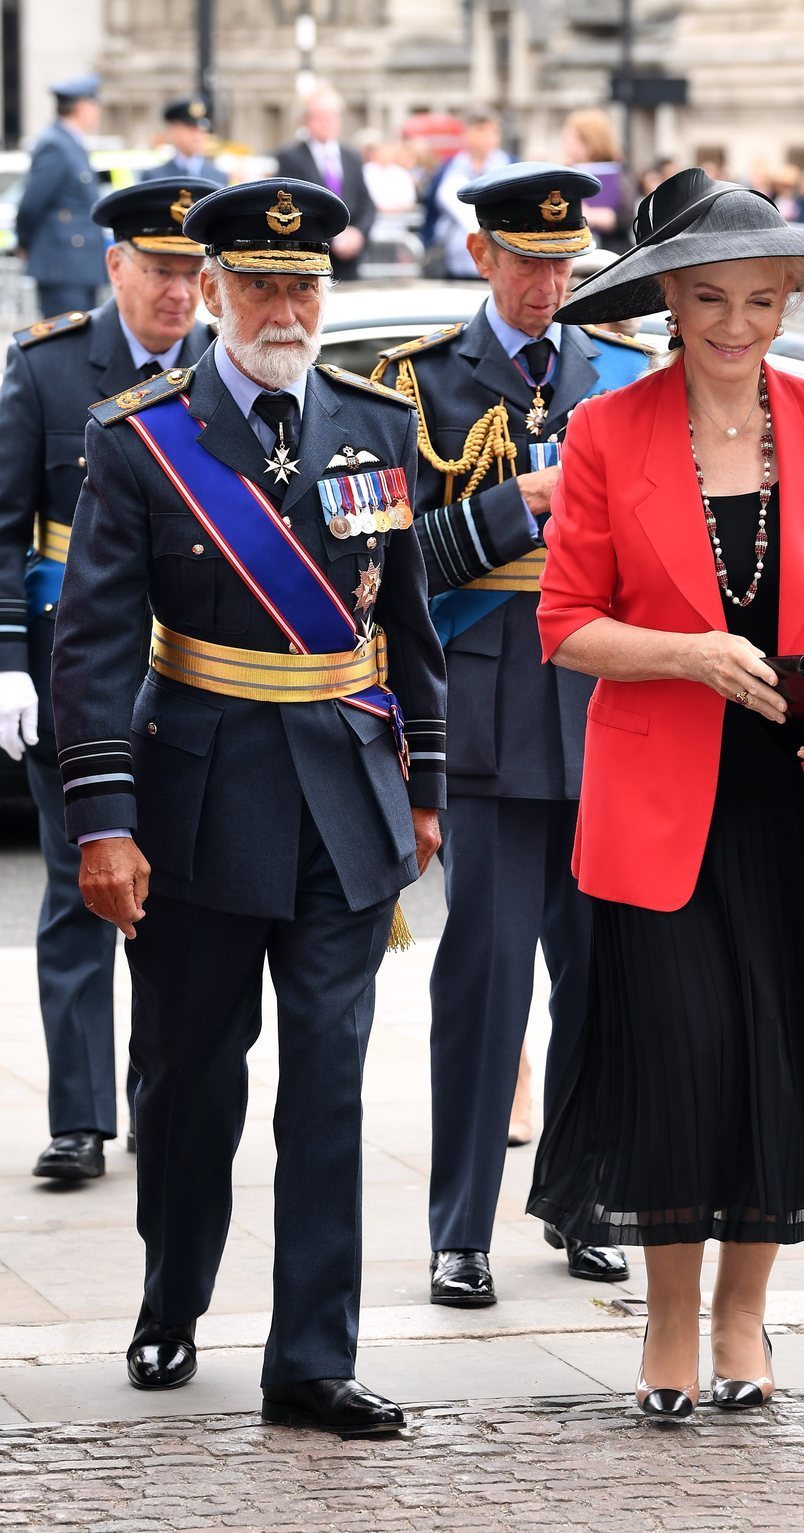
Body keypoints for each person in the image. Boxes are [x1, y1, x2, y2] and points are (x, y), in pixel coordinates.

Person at [49, 178, 446, 1434]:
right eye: (262, 284)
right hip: (199, 803)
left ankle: (311, 1358)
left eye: (306, 284)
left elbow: (405, 623)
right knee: (187, 1081)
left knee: (329, 1083)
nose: (287, 307)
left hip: (343, 795)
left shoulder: (377, 423)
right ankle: (172, 1302)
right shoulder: (140, 436)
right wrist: (103, 822)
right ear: (209, 291)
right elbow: (98, 645)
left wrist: (422, 785)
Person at [527, 167, 804, 1420]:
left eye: (761, 299)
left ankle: (744, 1320)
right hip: (660, 811)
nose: (736, 324)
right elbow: (565, 625)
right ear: (666, 304)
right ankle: (664, 1331)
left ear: (790, 300)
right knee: (680, 1066)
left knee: (781, 1067)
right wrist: (686, 656)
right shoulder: (606, 432)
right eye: (709, 299)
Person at [372, 163, 654, 1308]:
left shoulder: (626, 371)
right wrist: (515, 507)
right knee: (483, 982)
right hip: (483, 707)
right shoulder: (418, 383)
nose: (548, 283)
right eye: (527, 261)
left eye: (563, 264)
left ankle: (585, 1201)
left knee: (598, 978)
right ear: (481, 256)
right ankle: (459, 1231)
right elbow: (388, 550)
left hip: (606, 710)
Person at [0, 178, 216, 1183]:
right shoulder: (47, 371)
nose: (177, 293)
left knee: (176, 901)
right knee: (78, 887)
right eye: (160, 271)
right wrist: (8, 661)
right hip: (70, 670)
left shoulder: (228, 371)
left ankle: (156, 1102)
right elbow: (4, 528)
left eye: (190, 273)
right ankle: (78, 1118)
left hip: (195, 678)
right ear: (114, 266)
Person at [15, 75, 106, 319]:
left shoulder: (71, 143)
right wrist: (24, 242)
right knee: (65, 346)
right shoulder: (55, 144)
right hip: (63, 266)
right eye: (94, 105)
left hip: (77, 267)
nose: (97, 112)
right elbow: (31, 204)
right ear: (81, 107)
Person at [275, 86, 375, 282]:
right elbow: (292, 208)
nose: (327, 122)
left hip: (350, 262)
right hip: (312, 258)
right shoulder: (291, 158)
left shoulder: (351, 157)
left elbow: (366, 204)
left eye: (332, 116)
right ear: (306, 120)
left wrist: (358, 234)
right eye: (320, 116)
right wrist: (332, 239)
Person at [428, 109, 510, 279]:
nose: (483, 138)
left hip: (499, 262)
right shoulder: (449, 167)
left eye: (490, 131)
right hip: (452, 261)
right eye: (478, 130)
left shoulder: (510, 166)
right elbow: (431, 210)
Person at [561, 108, 634, 255]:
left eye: (570, 138)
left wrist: (591, 215)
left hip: (611, 251)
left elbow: (626, 218)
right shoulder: (562, 173)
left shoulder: (618, 173)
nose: (565, 144)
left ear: (588, 142)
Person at [141, 98, 228, 186]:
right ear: (173, 131)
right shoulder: (154, 177)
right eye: (191, 130)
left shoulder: (219, 177)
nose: (198, 137)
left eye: (202, 130)